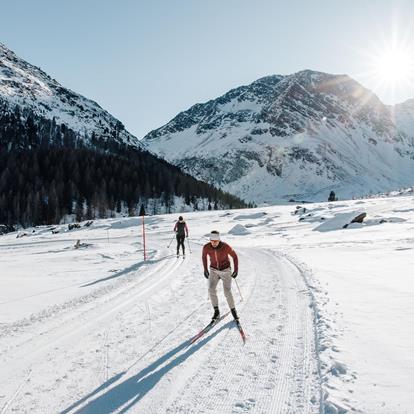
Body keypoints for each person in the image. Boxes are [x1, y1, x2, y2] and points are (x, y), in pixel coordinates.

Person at [202, 230, 239, 321]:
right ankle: (216, 311)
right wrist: (205, 269)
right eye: (212, 241)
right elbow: (204, 257)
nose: (214, 243)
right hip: (214, 270)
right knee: (211, 289)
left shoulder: (225, 246)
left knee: (227, 291)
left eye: (216, 241)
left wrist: (236, 270)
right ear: (210, 240)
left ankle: (233, 311)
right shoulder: (206, 247)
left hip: (225, 270)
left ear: (219, 240)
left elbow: (234, 256)